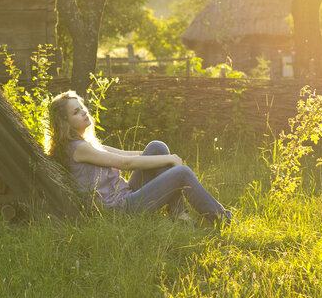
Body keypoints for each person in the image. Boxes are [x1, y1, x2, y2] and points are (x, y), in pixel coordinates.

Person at [48, 90, 233, 225]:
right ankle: (222, 218)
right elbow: (125, 163)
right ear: (65, 123)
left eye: (81, 107)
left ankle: (179, 216)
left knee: (156, 147)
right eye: (75, 112)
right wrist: (171, 161)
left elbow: (127, 154)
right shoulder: (77, 149)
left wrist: (165, 156)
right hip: (119, 210)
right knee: (182, 172)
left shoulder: (86, 144)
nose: (83, 112)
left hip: (125, 196)